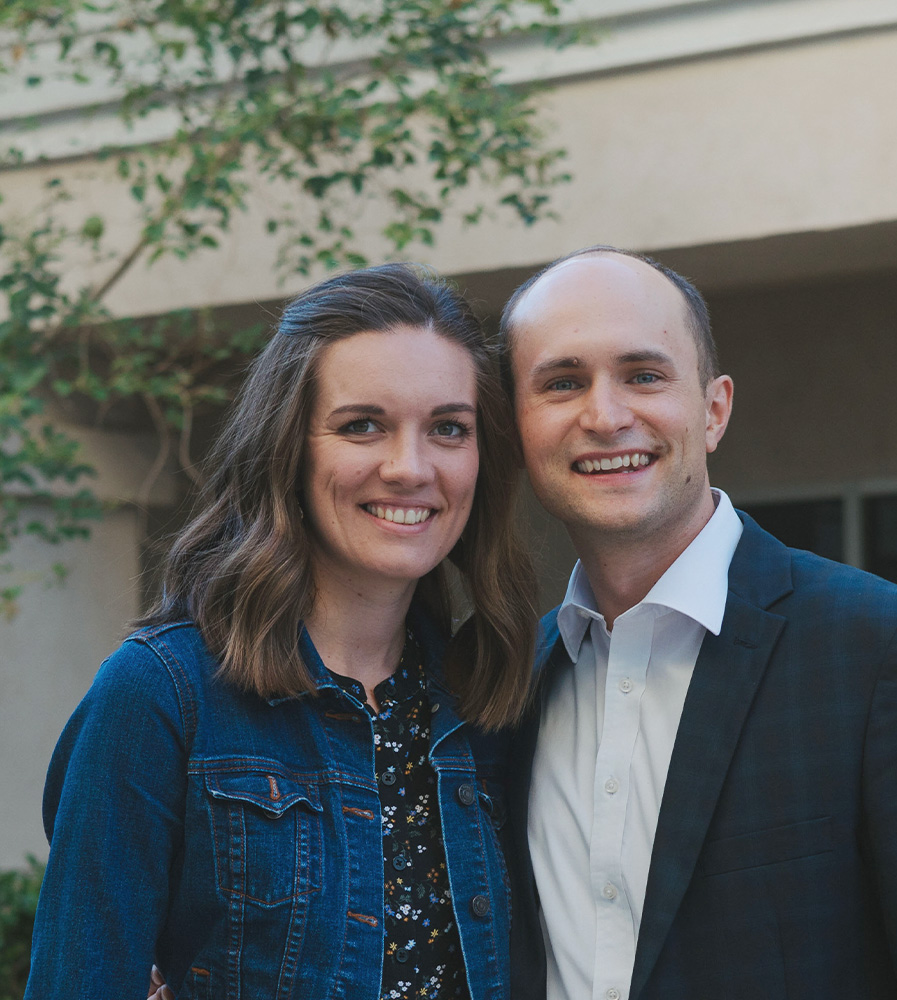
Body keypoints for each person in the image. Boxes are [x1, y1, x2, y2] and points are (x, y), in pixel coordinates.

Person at [25, 263, 537, 1000]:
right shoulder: (162, 695)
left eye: (448, 429)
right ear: (287, 449)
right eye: (363, 425)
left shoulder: (490, 702)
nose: (410, 467)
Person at [499, 246, 897, 999]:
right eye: (563, 383)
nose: (605, 416)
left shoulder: (888, 650)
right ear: (516, 429)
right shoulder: (508, 690)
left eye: (644, 375)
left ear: (714, 409)